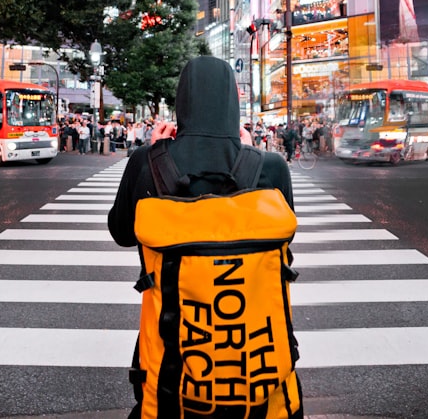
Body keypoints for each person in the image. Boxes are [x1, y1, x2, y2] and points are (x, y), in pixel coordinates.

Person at [107, 56, 295, 416]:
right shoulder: (270, 167)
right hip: (256, 348)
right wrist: (252, 156)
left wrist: (153, 153)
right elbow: (282, 243)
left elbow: (122, 233)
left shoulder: (147, 162)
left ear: (182, 103)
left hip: (172, 340)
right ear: (232, 102)